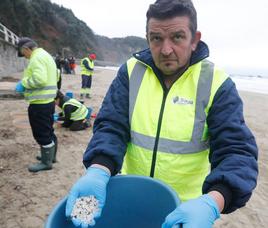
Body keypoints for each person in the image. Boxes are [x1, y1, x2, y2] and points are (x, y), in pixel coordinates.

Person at [65, 0, 258, 227]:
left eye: (177, 37)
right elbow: (111, 125)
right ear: (148, 38)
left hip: (185, 209)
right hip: (131, 194)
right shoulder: (130, 72)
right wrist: (98, 168)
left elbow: (237, 151)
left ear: (194, 40)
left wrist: (213, 202)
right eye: (156, 38)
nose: (166, 50)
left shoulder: (216, 83)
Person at [15, 37, 58, 172]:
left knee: (41, 133)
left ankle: (46, 163)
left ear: (26, 49)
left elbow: (40, 79)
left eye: (24, 54)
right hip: (49, 101)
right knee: (48, 130)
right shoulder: (46, 55)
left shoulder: (36, 58)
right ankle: (51, 157)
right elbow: (56, 75)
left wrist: (24, 83)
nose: (25, 57)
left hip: (39, 103)